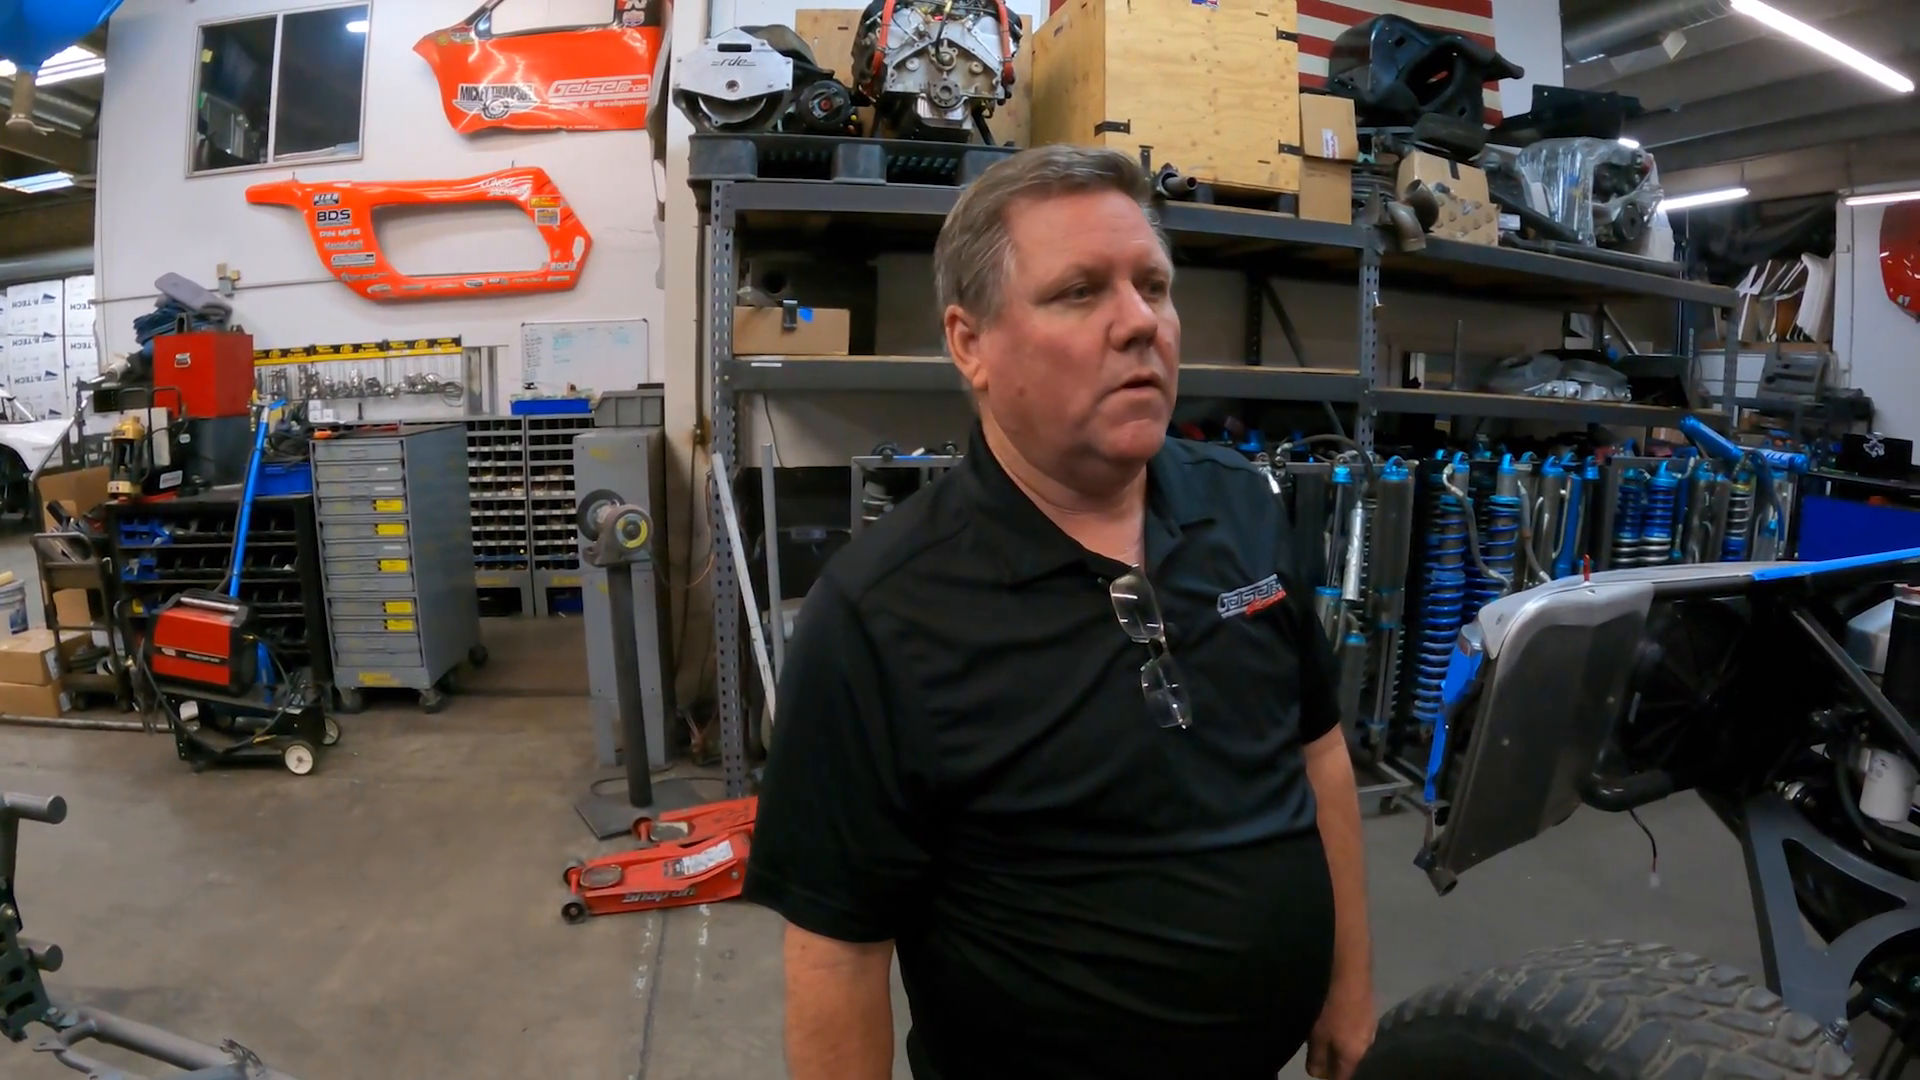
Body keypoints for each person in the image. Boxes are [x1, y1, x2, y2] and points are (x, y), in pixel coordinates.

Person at [743, 144, 1375, 1080]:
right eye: (1080, 292)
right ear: (971, 345)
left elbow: (1316, 750)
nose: (1141, 324)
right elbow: (839, 948)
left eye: (1152, 286)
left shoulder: (1242, 504)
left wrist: (1348, 982)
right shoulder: (880, 615)